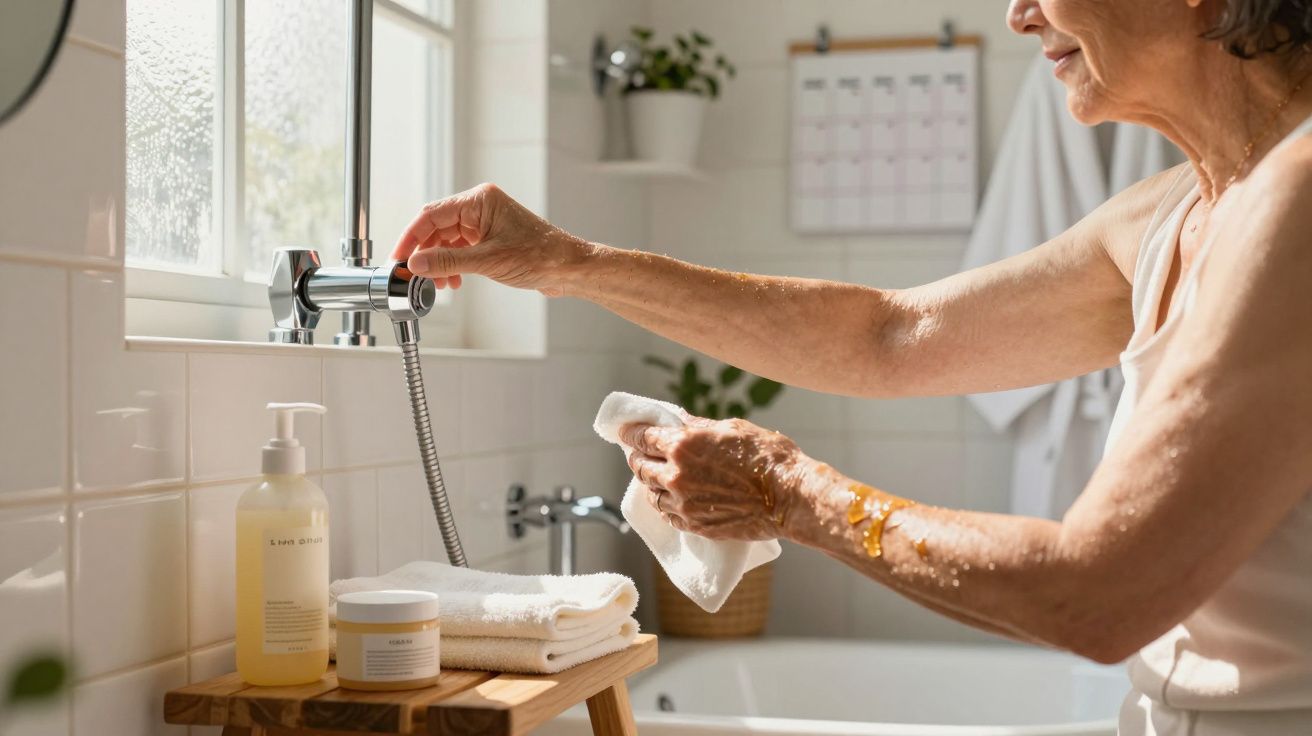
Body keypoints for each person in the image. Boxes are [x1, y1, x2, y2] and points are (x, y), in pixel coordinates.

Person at [393, 1, 1312, 732]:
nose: (1019, 13)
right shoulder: (1171, 214)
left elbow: (1101, 595)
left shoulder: (1298, 196)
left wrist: (790, 493)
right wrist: (568, 262)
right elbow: (889, 336)